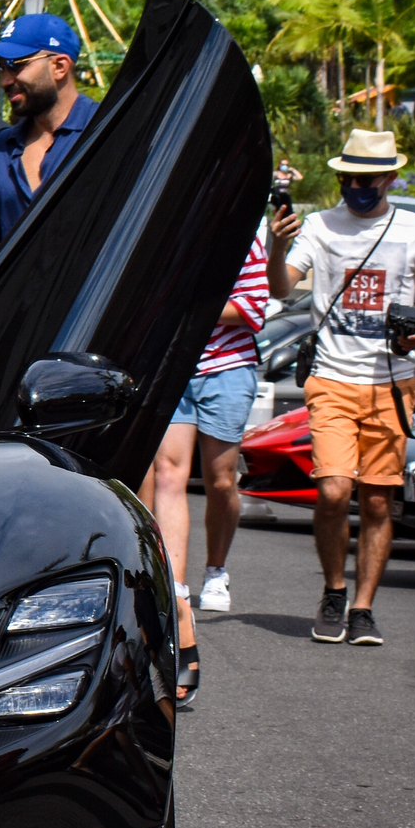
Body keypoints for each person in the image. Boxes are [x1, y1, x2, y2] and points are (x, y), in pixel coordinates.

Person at [276, 128, 415, 645]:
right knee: (333, 489)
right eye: (349, 177)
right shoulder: (320, 226)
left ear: (390, 178)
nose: (357, 185)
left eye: (368, 178)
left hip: (393, 383)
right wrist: (276, 249)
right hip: (332, 377)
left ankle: (363, 608)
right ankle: (334, 589)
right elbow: (282, 287)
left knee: (377, 502)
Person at [141, 218, 279, 701]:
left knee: (221, 481)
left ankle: (216, 569)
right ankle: (177, 597)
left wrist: (185, 306)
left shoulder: (247, 228)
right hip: (175, 364)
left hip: (227, 369)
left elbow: (251, 307)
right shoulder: (171, 223)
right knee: (168, 475)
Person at [0, 14, 99, 280]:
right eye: (1, 68)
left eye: (15, 64)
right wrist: (4, 273)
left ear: (59, 66)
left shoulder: (105, 132)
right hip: (16, 317)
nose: (4, 81)